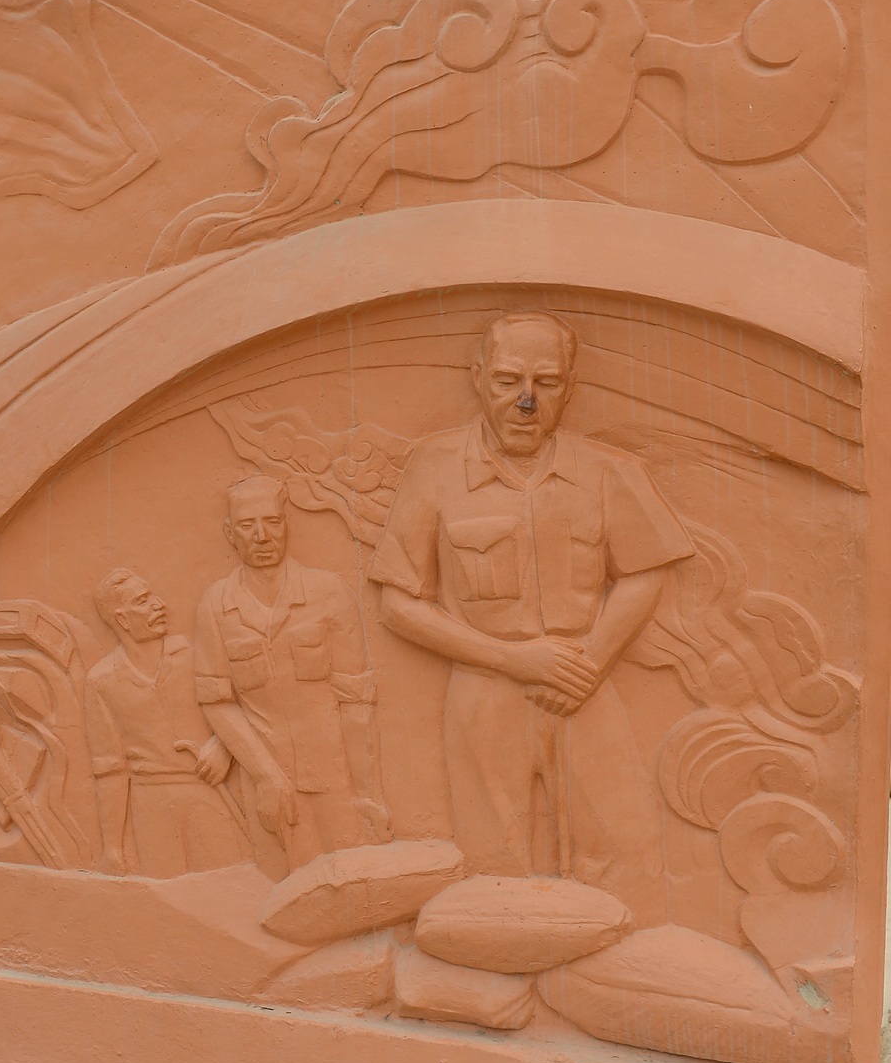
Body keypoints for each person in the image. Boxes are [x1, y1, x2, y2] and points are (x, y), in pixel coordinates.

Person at [369, 310, 694, 923]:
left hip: (581, 683)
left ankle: (611, 987)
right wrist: (512, 658)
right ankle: (511, 995)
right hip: (487, 683)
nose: (525, 400)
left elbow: (645, 570)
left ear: (569, 387)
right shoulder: (436, 468)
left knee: (625, 845)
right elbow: (398, 603)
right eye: (507, 381)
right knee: (495, 857)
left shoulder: (605, 470)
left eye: (545, 383)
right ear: (478, 379)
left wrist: (593, 661)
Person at [194, 476, 388, 874]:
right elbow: (217, 702)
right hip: (268, 780)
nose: (262, 536)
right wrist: (267, 777)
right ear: (230, 533)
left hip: (336, 779)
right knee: (285, 893)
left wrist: (368, 796)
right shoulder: (216, 606)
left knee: (355, 883)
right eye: (248, 526)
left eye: (272, 522)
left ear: (286, 524)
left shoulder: (328, 592)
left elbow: (356, 704)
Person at [86, 569, 254, 878]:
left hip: (207, 791)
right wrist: (112, 849)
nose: (159, 604)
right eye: (143, 600)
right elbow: (109, 768)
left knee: (229, 880)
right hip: (151, 808)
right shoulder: (102, 681)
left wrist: (224, 746)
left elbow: (247, 703)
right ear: (122, 619)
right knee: (167, 894)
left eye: (153, 595)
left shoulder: (192, 653)